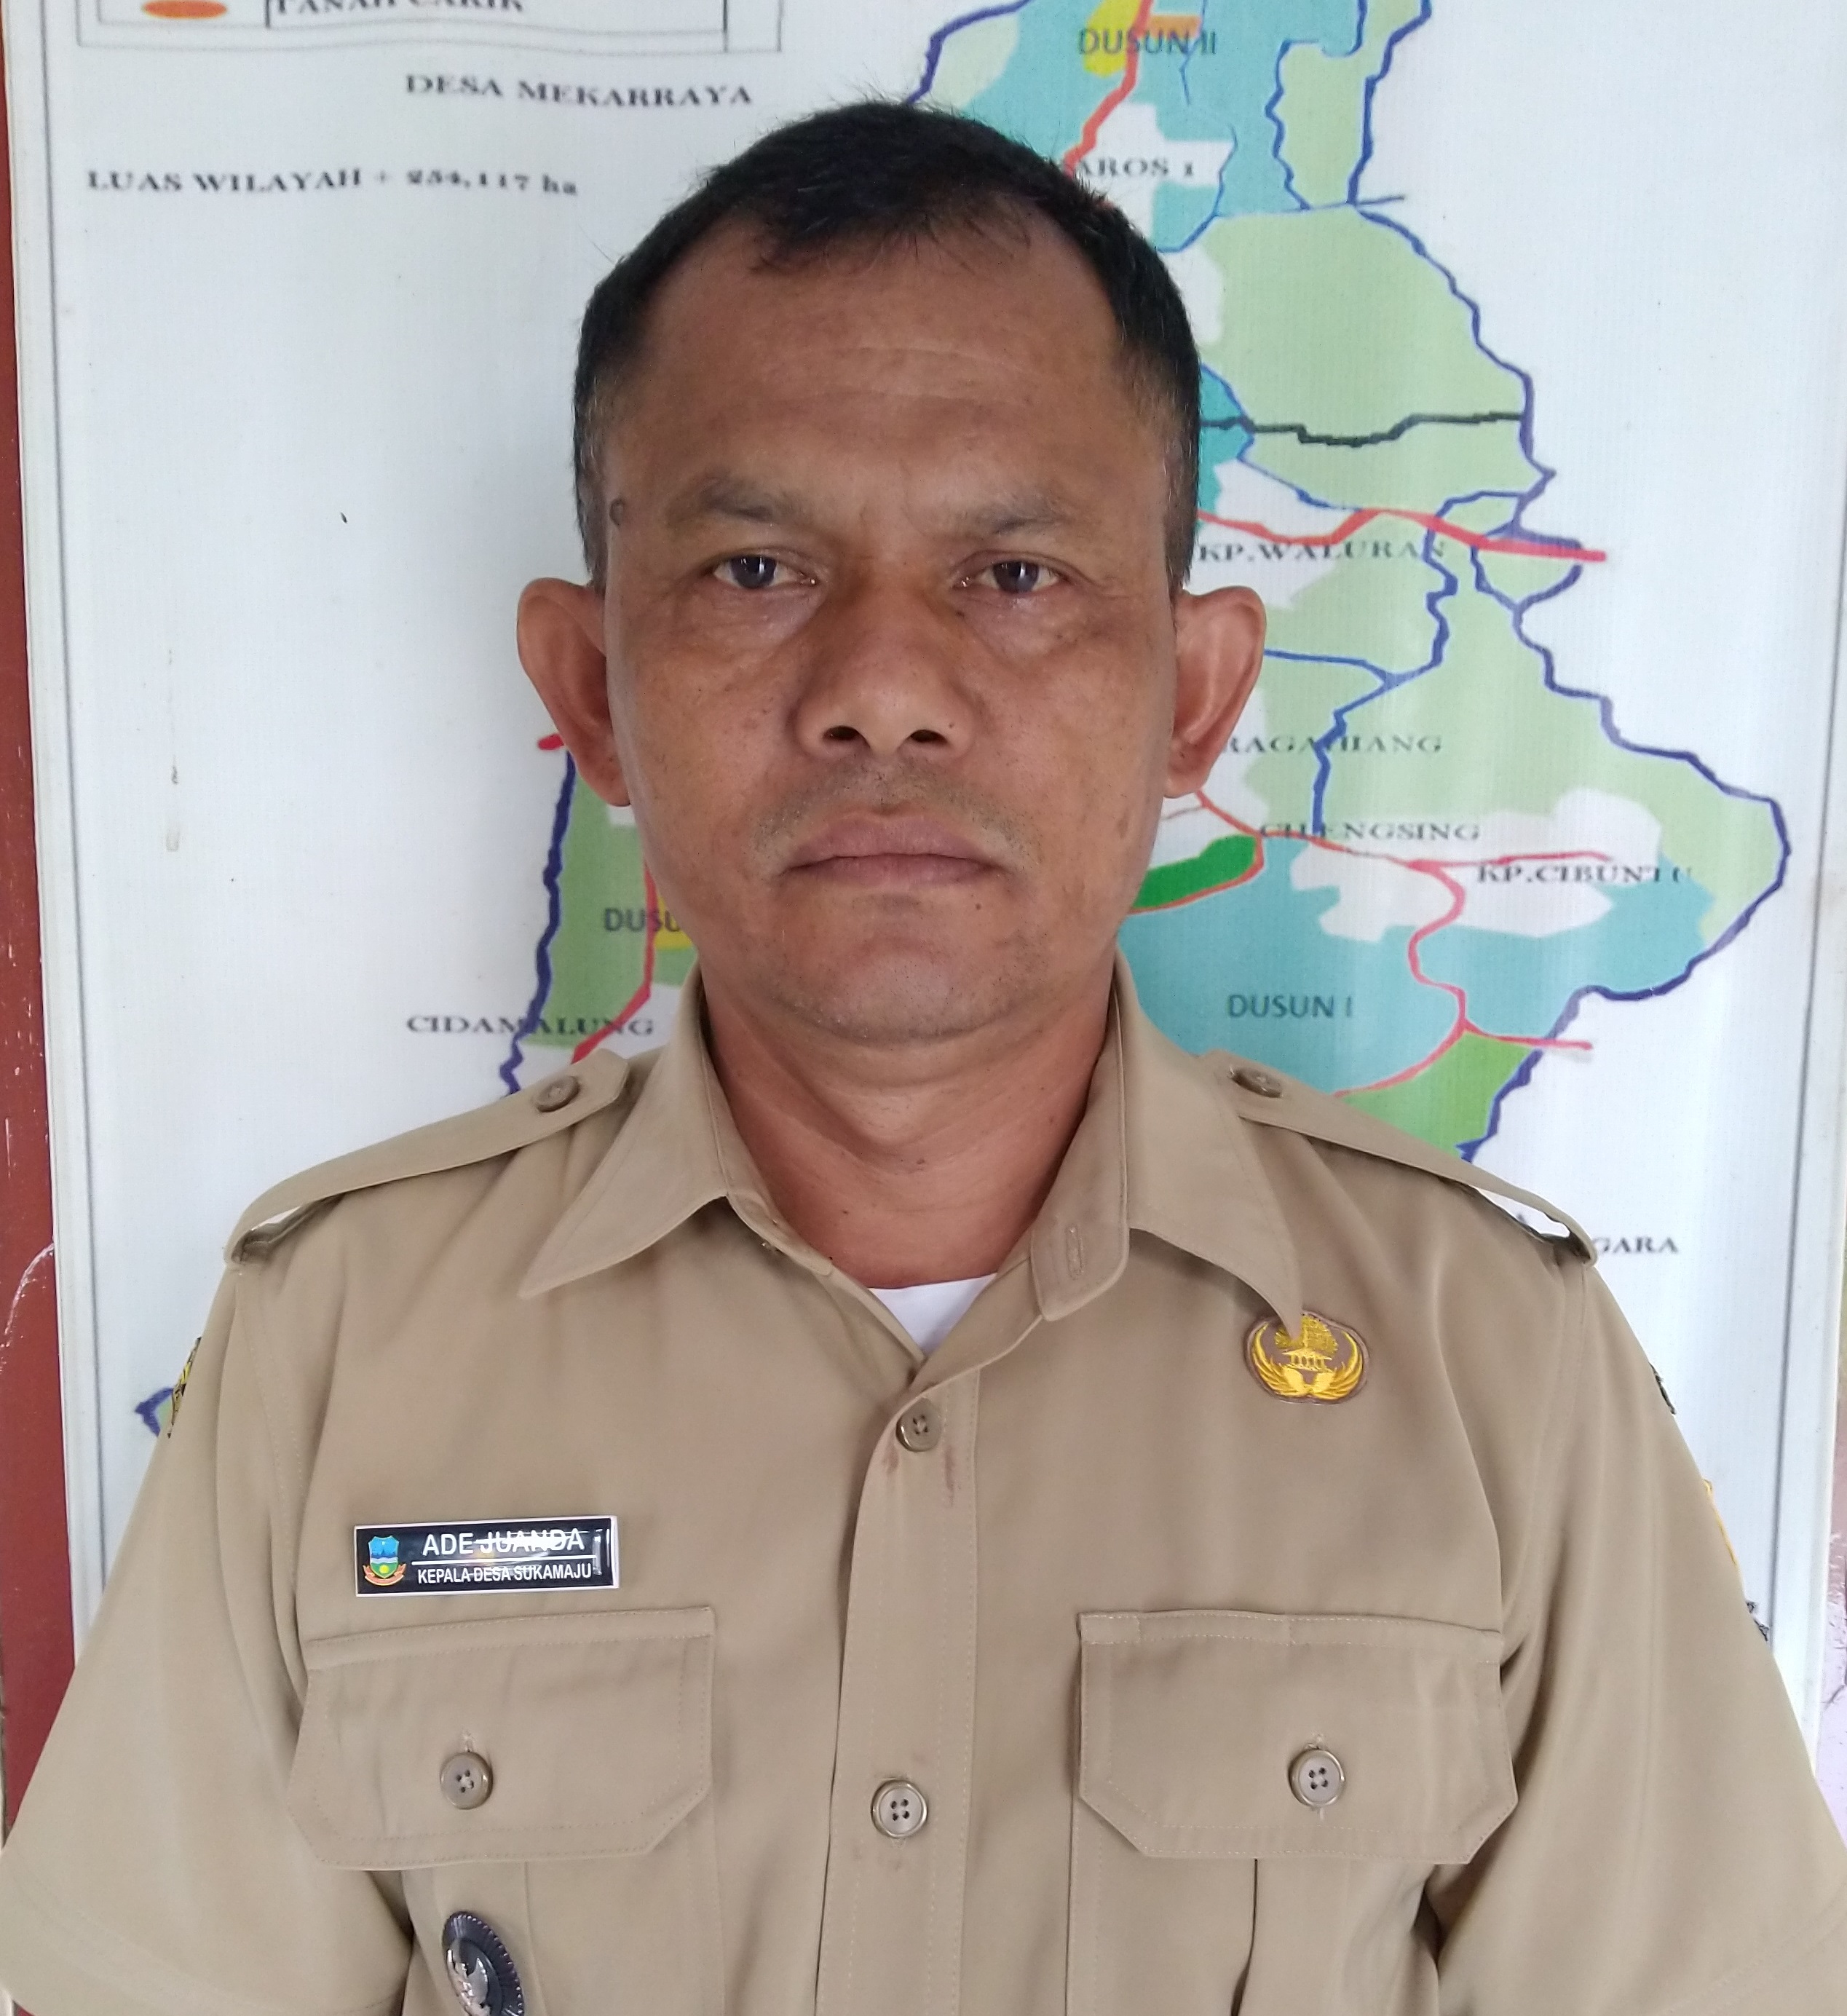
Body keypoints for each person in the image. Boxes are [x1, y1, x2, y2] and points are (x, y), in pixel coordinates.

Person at [1, 100, 1843, 2016]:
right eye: (755, 570)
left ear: (1197, 693)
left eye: (1015, 574)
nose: (883, 690)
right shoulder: (341, 1342)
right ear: (589, 689)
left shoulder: (1495, 1364)